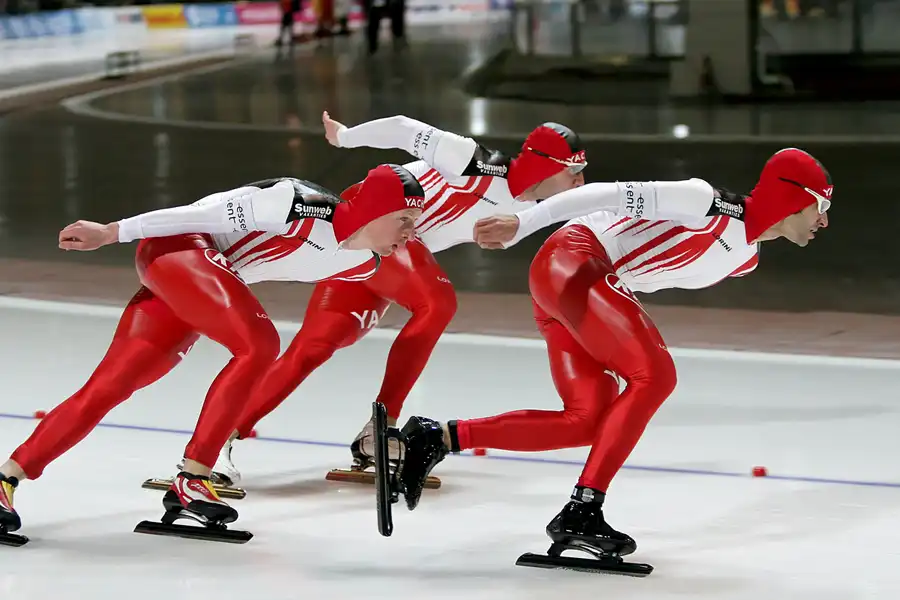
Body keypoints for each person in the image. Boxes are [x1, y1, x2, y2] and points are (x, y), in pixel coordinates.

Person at [384, 147, 832, 574]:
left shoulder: (744, 260)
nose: (824, 221)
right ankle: (583, 510)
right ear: (792, 198)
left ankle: (437, 437)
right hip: (574, 261)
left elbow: (645, 270)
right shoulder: (705, 202)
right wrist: (524, 221)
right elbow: (607, 193)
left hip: (574, 283)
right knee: (655, 377)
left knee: (588, 421)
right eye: (819, 205)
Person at [0, 164, 425, 547]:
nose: (411, 232)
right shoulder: (297, 203)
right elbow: (195, 215)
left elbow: (340, 312)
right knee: (259, 343)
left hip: (201, 277)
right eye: (404, 219)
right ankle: (195, 477)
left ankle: (6, 478)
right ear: (374, 209)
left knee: (111, 386)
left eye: (416, 223)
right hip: (178, 246)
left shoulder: (361, 265)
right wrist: (112, 231)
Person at [202, 111, 586, 492]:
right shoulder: (472, 160)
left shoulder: (536, 208)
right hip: (368, 226)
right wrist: (346, 137)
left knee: (315, 345)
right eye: (575, 171)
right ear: (546, 166)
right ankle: (381, 428)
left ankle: (218, 441)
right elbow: (404, 128)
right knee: (437, 303)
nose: (581, 181)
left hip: (389, 250)